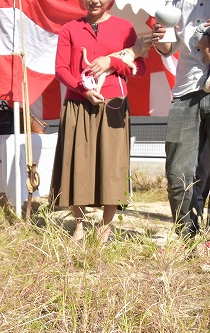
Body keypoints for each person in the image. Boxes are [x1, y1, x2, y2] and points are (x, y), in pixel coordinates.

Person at [50, 0, 146, 244]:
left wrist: (110, 62)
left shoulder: (124, 28)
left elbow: (140, 66)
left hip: (114, 103)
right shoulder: (69, 28)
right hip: (78, 103)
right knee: (79, 163)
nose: (95, 0)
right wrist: (83, 89)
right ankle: (79, 226)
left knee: (112, 164)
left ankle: (106, 226)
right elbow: (61, 69)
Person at [151, 2, 210, 241]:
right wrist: (161, 37)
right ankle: (187, 238)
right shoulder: (174, 3)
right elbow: (169, 47)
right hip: (185, 89)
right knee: (177, 174)